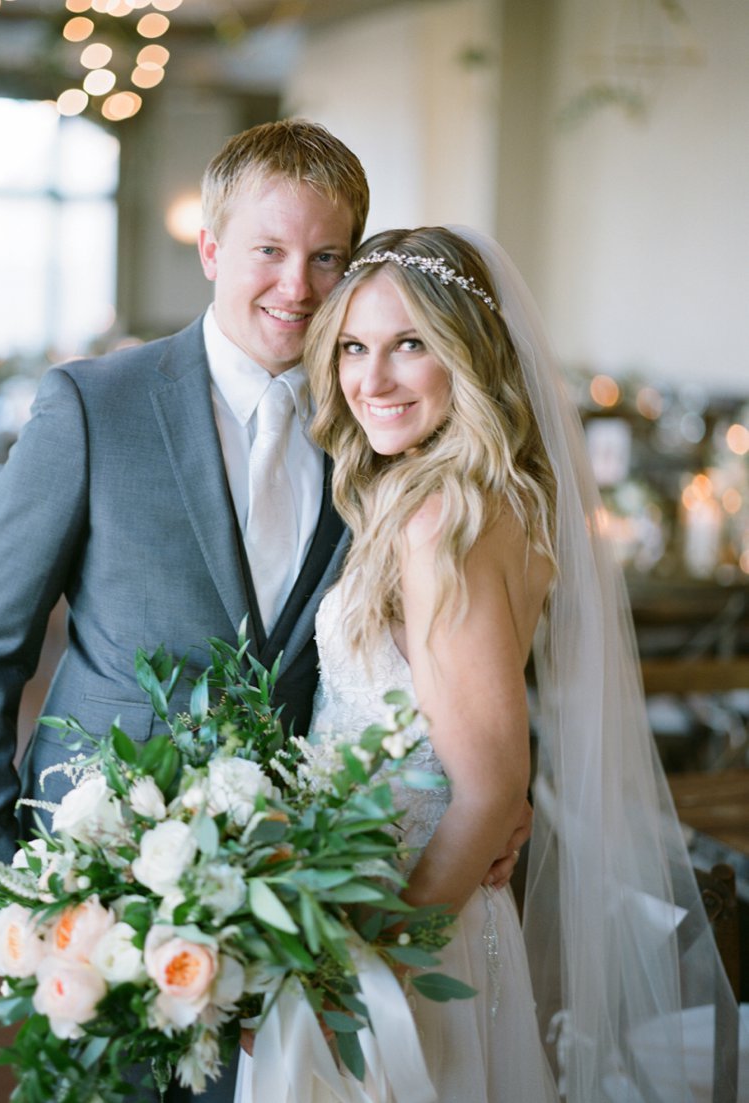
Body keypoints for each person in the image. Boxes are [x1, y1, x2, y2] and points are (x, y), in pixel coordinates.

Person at [0, 125, 524, 1102]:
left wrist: (495, 782)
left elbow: (450, 644)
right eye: (268, 250)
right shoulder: (92, 405)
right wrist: (0, 894)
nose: (297, 285)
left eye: (327, 256)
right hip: (107, 899)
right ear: (211, 247)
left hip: (304, 910)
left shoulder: (377, 429)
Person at [234, 226, 741, 1102]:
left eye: (409, 346)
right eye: (353, 346)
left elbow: (493, 788)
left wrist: (366, 973)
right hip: (403, 899)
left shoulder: (444, 528)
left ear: (467, 354)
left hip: (412, 926)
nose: (371, 379)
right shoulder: (470, 498)